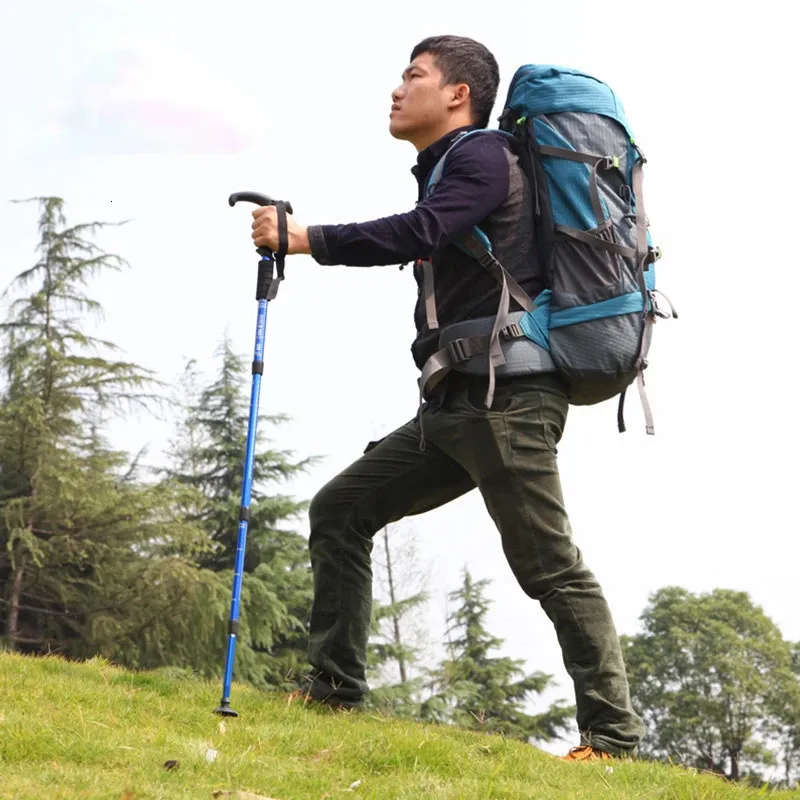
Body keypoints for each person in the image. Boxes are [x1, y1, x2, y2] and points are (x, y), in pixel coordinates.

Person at [249, 34, 646, 761]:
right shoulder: (449, 167)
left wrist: (305, 238)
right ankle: (334, 690)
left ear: (457, 95)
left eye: (413, 77)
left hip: (508, 399)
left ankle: (614, 739)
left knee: (549, 564)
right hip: (458, 401)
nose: (397, 91)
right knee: (341, 511)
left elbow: (422, 232)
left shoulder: (483, 157)